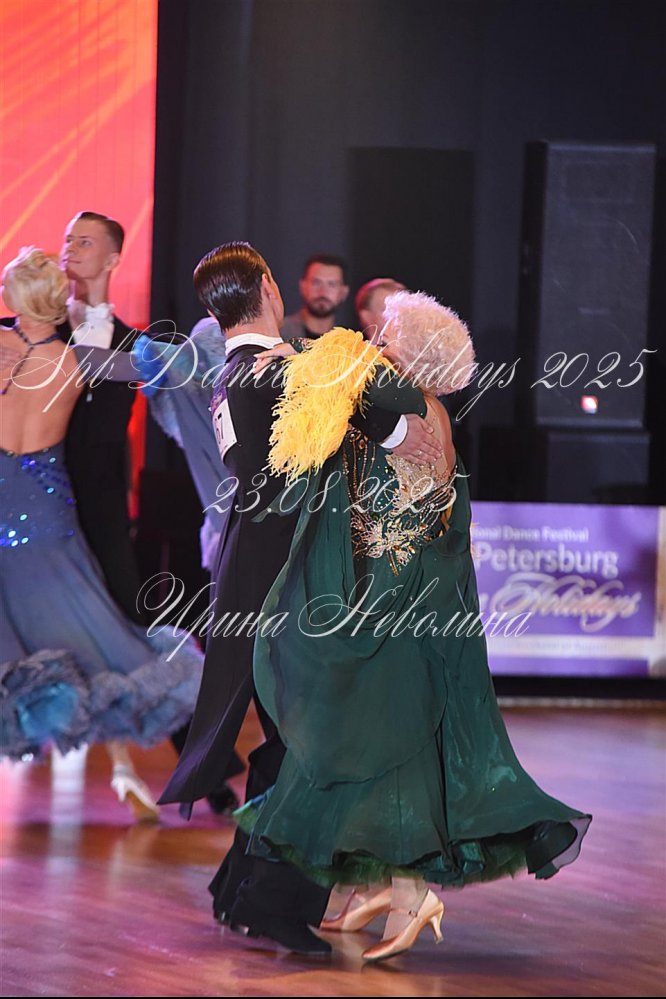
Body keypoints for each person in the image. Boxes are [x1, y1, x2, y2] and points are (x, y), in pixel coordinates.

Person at [237, 290, 592, 963]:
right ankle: (392, 890)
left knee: (380, 748)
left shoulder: (405, 404)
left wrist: (285, 351)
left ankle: (407, 893)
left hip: (396, 612)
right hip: (408, 607)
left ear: (412, 350)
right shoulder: (425, 408)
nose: (377, 335)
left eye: (391, 329)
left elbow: (396, 517)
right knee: (390, 754)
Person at [158, 242, 444, 955]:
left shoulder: (231, 374)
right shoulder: (283, 371)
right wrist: (409, 417)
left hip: (251, 581)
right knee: (320, 747)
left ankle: (242, 890)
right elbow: (387, 428)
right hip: (291, 589)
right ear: (266, 288)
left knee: (290, 744)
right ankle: (272, 905)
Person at [0, 247, 204, 822]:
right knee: (89, 638)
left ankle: (122, 769)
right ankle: (122, 767)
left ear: (16, 297)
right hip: (49, 517)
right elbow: (157, 369)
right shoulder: (80, 360)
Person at [59, 211, 144, 623]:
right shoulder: (31, 332)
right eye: (68, 240)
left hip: (105, 498)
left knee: (120, 602)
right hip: (47, 484)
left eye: (84, 242)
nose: (70, 249)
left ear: (112, 260)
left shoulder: (137, 343)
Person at [279, 253, 349, 340]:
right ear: (303, 286)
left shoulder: (348, 342)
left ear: (344, 292)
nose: (323, 291)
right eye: (316, 283)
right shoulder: (278, 332)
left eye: (332, 284)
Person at [355, 276, 407, 342]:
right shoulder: (352, 348)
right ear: (366, 316)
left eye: (401, 309)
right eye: (388, 310)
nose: (397, 316)